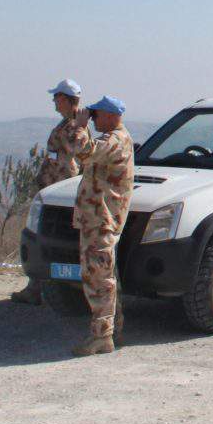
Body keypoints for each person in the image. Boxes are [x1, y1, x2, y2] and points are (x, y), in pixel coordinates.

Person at [66, 94, 135, 357]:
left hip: (102, 220)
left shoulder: (116, 140)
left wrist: (79, 126)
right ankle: (112, 329)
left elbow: (83, 150)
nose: (92, 119)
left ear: (110, 115)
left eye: (96, 115)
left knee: (99, 279)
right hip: (98, 218)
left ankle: (102, 336)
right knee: (104, 275)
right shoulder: (115, 140)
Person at [11, 78, 85, 305]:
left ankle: (40, 288)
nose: (54, 101)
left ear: (65, 98)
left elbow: (74, 155)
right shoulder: (67, 124)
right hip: (53, 186)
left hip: (61, 189)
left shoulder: (74, 126)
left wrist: (52, 162)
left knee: (49, 237)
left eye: (57, 97)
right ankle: (36, 287)